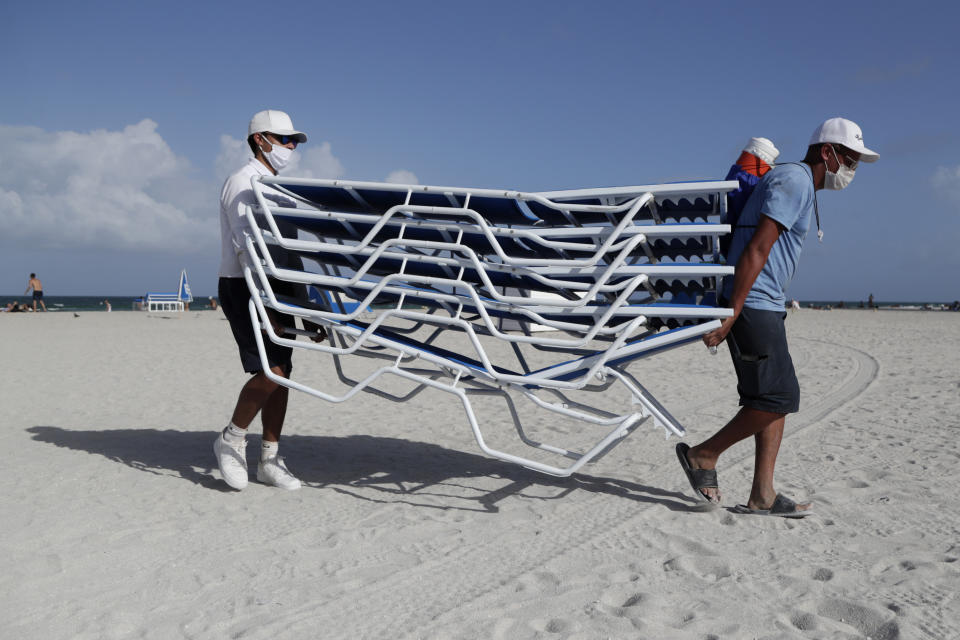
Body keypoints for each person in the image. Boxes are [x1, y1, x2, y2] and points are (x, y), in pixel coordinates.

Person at [676, 117, 879, 518]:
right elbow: (757, 248)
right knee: (781, 397)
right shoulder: (795, 181)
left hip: (763, 302)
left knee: (769, 398)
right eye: (850, 159)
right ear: (827, 152)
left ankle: (762, 495)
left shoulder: (797, 181)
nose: (851, 169)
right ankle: (704, 454)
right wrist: (732, 314)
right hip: (753, 303)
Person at [213, 109, 325, 491]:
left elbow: (289, 253)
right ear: (259, 140)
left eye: (294, 141)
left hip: (277, 286)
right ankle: (231, 439)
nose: (291, 147)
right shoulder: (242, 182)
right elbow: (248, 249)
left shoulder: (278, 188)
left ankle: (269, 459)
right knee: (271, 372)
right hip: (245, 286)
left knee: (283, 375)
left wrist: (306, 308)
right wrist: (267, 305)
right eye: (284, 140)